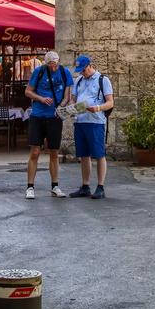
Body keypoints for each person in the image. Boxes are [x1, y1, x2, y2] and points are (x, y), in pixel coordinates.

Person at [23, 51, 71, 200]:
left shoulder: (65, 72)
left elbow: (67, 95)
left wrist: (61, 106)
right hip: (38, 115)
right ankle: (30, 187)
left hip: (54, 116)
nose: (53, 68)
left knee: (54, 152)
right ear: (46, 63)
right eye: (50, 66)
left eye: (55, 65)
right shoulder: (39, 72)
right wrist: (41, 99)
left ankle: (54, 186)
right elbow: (28, 92)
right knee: (35, 152)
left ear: (59, 61)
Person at [67, 56, 114, 198]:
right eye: (80, 71)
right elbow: (73, 99)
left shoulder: (103, 80)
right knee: (83, 155)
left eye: (84, 69)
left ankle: (100, 187)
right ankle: (85, 186)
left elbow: (110, 102)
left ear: (90, 66)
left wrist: (98, 107)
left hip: (95, 122)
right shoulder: (79, 81)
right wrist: (69, 108)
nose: (82, 73)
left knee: (99, 154)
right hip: (81, 121)